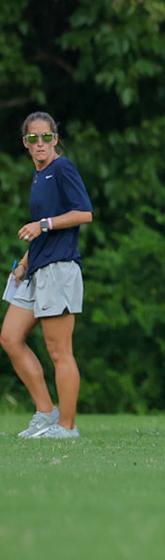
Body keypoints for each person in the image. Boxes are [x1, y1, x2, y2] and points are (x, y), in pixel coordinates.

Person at [5, 113, 94, 440]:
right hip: (38, 268)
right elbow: (44, 228)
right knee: (10, 338)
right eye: (33, 139)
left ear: (55, 138)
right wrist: (25, 263)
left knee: (60, 351)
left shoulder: (62, 168)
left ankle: (67, 427)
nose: (39, 144)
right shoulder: (38, 174)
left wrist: (43, 224)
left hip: (60, 269)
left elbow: (84, 213)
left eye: (46, 137)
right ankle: (45, 412)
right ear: (25, 142)